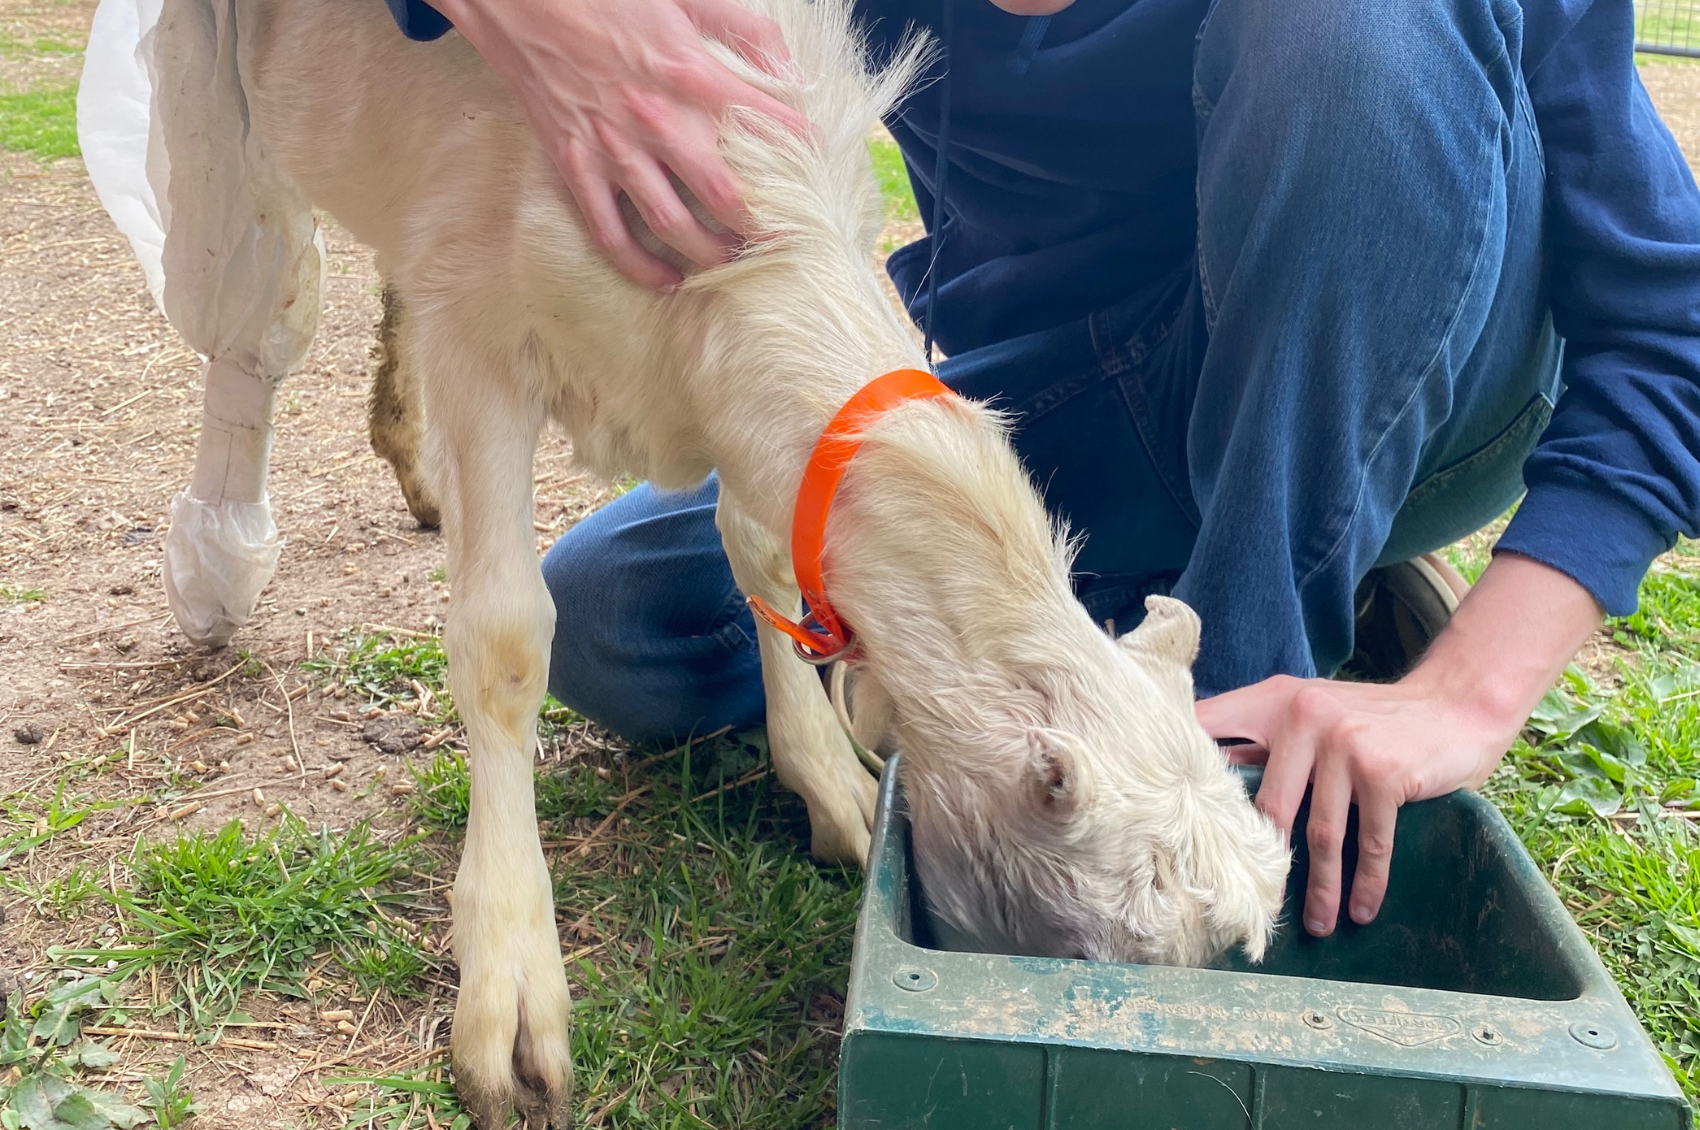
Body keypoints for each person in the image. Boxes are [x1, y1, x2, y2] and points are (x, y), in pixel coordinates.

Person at [381, 0, 1700, 939]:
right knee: (619, 611)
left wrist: (1469, 689)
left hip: (1419, 342)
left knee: (1347, 32)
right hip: (1062, 396)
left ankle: (1250, 658)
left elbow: (1669, 329)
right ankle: (1149, 594)